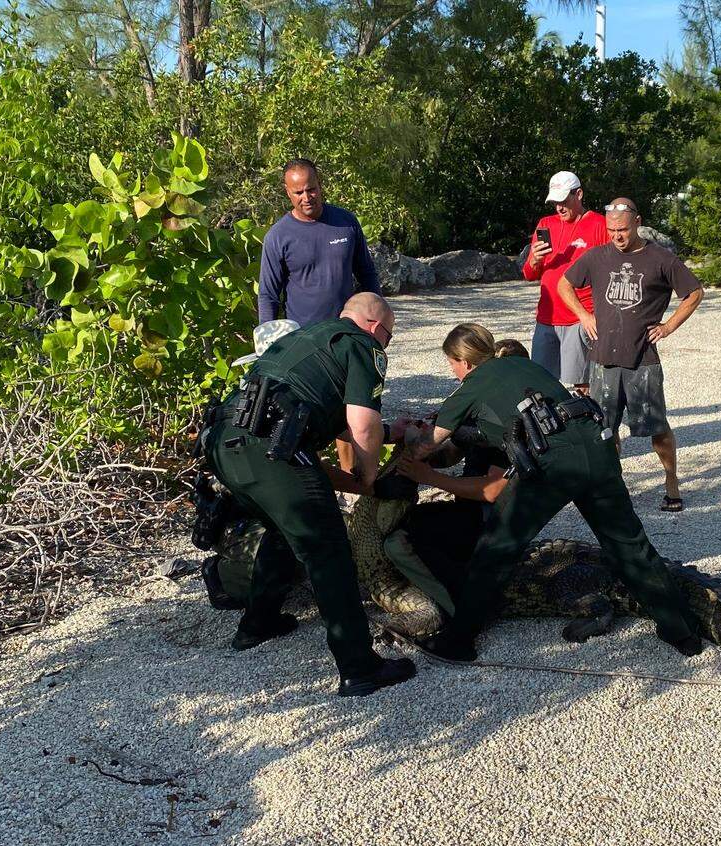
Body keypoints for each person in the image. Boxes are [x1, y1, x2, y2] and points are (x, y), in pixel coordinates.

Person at [403, 323, 703, 662]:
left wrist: (401, 435)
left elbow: (426, 447)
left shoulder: (471, 385)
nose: (452, 371)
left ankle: (458, 642)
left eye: (451, 363)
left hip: (555, 462)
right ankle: (683, 631)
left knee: (496, 549)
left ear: (464, 361)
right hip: (597, 449)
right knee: (629, 543)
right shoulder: (526, 365)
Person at [201, 293, 415, 696]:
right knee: (328, 549)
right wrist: (368, 478)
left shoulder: (309, 338)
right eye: (388, 336)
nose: (386, 344)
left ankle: (257, 624)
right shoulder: (361, 344)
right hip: (269, 449)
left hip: (224, 445)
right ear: (375, 326)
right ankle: (359, 666)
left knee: (285, 530)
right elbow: (362, 425)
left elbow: (320, 420)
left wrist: (392, 432)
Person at [556, 198, 703, 513]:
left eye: (622, 229)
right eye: (611, 230)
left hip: (642, 360)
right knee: (604, 428)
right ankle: (613, 486)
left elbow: (694, 293)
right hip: (602, 358)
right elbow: (563, 284)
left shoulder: (661, 259)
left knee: (657, 426)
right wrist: (583, 315)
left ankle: (671, 482)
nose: (616, 236)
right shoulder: (596, 256)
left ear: (637, 222)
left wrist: (668, 326)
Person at [259, 158, 382, 476]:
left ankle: (355, 484)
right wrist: (268, 346)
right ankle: (309, 476)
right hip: (306, 341)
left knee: (351, 408)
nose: (306, 197)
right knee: (306, 414)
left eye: (311, 189)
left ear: (320, 184)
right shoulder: (278, 236)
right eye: (298, 191)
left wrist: (374, 322)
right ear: (288, 193)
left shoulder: (345, 223)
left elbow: (367, 274)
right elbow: (269, 296)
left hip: (348, 335)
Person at [386, 340, 526, 612]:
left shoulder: (510, 422)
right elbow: (452, 454)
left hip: (493, 523)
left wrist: (428, 477)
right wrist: (421, 444)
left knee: (399, 542)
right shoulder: (484, 407)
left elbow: (495, 490)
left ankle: (460, 606)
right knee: (405, 523)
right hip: (471, 509)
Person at [522, 171, 608, 391]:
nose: (559, 207)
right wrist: (534, 259)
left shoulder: (600, 225)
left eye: (563, 200)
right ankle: (550, 424)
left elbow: (610, 272)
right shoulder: (545, 223)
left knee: (582, 382)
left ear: (578, 194)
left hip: (580, 317)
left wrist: (594, 316)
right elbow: (529, 274)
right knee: (540, 382)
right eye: (555, 201)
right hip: (547, 318)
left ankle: (591, 423)